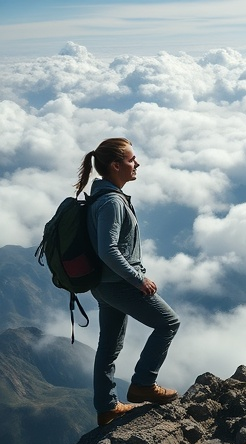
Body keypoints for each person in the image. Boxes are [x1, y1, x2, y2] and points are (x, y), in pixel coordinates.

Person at [75, 137, 181, 427]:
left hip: (104, 285)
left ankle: (107, 407)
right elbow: (108, 250)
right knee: (169, 323)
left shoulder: (102, 196)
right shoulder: (111, 201)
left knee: (108, 346)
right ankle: (143, 384)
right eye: (132, 159)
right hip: (119, 284)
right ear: (115, 165)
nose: (137, 164)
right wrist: (138, 279)